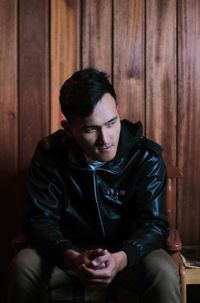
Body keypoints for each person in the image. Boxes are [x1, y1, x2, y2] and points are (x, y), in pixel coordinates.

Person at [7, 68, 181, 303]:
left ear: (118, 113)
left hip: (128, 253)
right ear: (68, 128)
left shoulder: (145, 156)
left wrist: (119, 259)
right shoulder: (50, 155)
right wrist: (72, 257)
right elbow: (39, 220)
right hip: (69, 252)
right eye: (91, 129)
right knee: (23, 266)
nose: (106, 139)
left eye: (111, 123)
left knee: (164, 272)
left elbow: (154, 225)